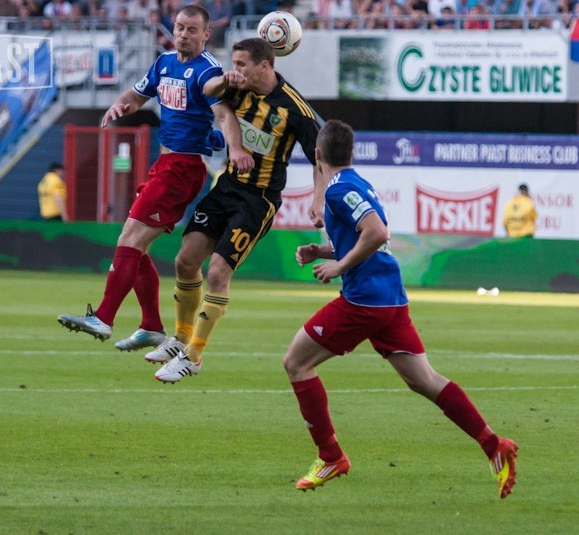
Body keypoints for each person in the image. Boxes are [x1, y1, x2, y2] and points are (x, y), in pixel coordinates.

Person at [277, 120, 518, 496]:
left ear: (318, 155)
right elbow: (365, 236)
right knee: (424, 380)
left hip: (363, 301)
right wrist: (322, 251)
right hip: (390, 299)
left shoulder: (338, 189)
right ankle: (493, 444)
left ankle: (331, 456)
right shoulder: (358, 183)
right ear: (352, 153)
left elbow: (377, 233)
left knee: (296, 363)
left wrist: (339, 266)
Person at [57, 5, 255, 353]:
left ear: (206, 34)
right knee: (138, 245)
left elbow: (220, 106)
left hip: (182, 169)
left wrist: (234, 137)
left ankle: (103, 317)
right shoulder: (163, 63)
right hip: (164, 165)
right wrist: (120, 105)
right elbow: (137, 95)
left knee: (129, 238)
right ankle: (150, 326)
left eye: (191, 29)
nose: (183, 34)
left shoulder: (207, 69)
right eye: (179, 27)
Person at [149, 37, 323, 382]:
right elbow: (209, 93)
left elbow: (321, 158)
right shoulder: (236, 86)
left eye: (242, 64)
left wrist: (318, 200)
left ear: (264, 66)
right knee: (185, 260)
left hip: (257, 200)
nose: (236, 69)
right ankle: (180, 338)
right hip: (226, 187)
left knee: (217, 273)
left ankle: (193, 356)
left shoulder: (295, 109)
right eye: (234, 63)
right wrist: (224, 83)